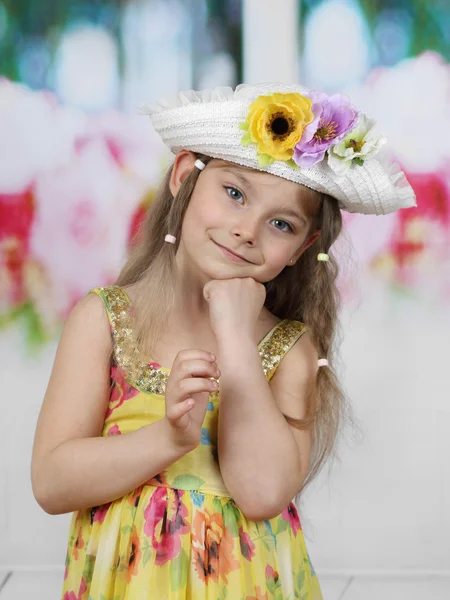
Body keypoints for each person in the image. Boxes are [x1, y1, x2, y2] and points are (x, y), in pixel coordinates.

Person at [31, 82, 416, 599]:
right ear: (184, 176)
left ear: (304, 247)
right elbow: (52, 483)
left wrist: (234, 336)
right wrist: (167, 440)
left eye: (280, 223)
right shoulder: (103, 320)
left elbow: (260, 494)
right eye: (234, 194)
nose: (246, 231)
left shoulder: (290, 350)